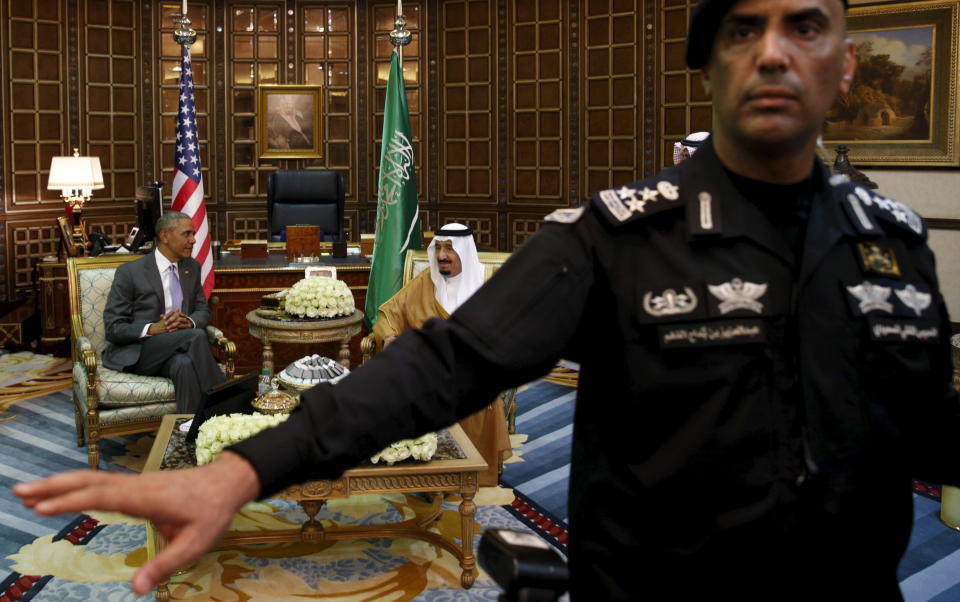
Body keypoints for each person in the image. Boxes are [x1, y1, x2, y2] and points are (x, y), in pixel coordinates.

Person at [15, 0, 960, 599]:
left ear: (845, 61)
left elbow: (922, 423)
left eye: (805, 24)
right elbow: (444, 363)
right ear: (707, 68)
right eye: (740, 30)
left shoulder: (897, 244)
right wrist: (243, 470)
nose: (773, 53)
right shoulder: (615, 236)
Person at [372, 223, 511, 486]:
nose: (442, 256)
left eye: (450, 249)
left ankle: (469, 471)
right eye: (438, 248)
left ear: (465, 251)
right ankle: (425, 469)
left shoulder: (489, 282)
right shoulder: (427, 280)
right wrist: (389, 336)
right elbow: (390, 312)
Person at [101, 211, 225, 413]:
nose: (193, 240)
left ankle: (188, 431)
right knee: (195, 337)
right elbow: (113, 328)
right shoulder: (130, 272)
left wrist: (189, 322)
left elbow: (202, 310)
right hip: (141, 351)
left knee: (183, 365)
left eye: (193, 234)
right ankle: (225, 404)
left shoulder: (191, 267)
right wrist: (152, 328)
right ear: (165, 236)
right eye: (186, 234)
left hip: (180, 349)